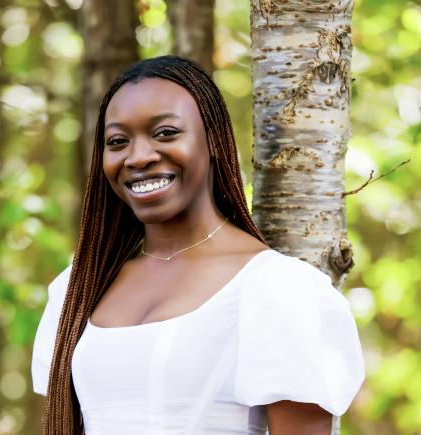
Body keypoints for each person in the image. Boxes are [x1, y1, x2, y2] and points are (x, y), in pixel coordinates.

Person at [31, 55, 365, 434]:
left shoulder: (276, 289)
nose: (138, 157)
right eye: (118, 141)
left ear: (214, 141)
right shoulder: (79, 287)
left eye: (166, 133)